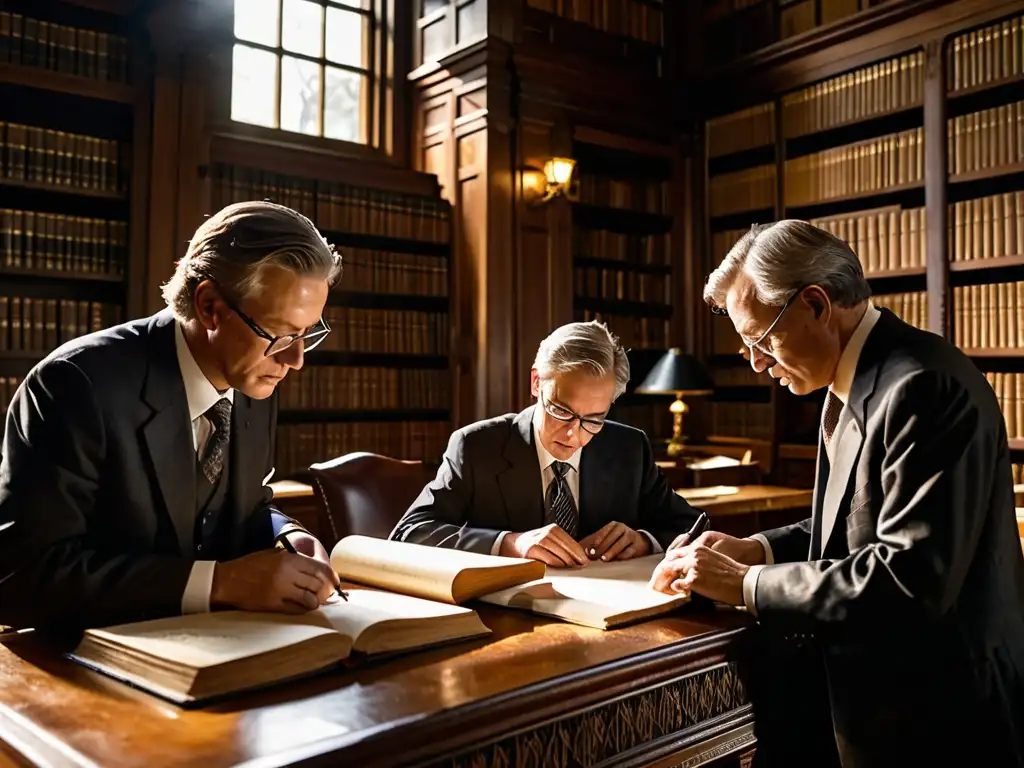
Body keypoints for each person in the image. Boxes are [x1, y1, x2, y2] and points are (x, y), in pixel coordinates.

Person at [650, 220, 1024, 767]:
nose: (756, 363)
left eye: (761, 339)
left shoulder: (922, 385)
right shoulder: (847, 382)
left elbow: (908, 579)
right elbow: (854, 527)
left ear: (817, 305)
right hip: (875, 705)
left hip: (939, 720)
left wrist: (747, 583)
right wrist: (759, 549)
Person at [0, 201, 345, 631]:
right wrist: (220, 582)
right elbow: (22, 579)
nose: (295, 359)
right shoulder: (76, 384)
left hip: (221, 654)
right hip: (86, 670)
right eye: (280, 334)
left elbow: (246, 507)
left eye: (307, 333)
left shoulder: (253, 375)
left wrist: (285, 534)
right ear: (210, 307)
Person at [390, 321, 701, 566]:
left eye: (594, 419)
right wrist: (510, 544)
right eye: (561, 411)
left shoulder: (628, 448)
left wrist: (645, 541)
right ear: (536, 382)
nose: (573, 435)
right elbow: (409, 533)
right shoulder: (476, 447)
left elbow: (693, 526)